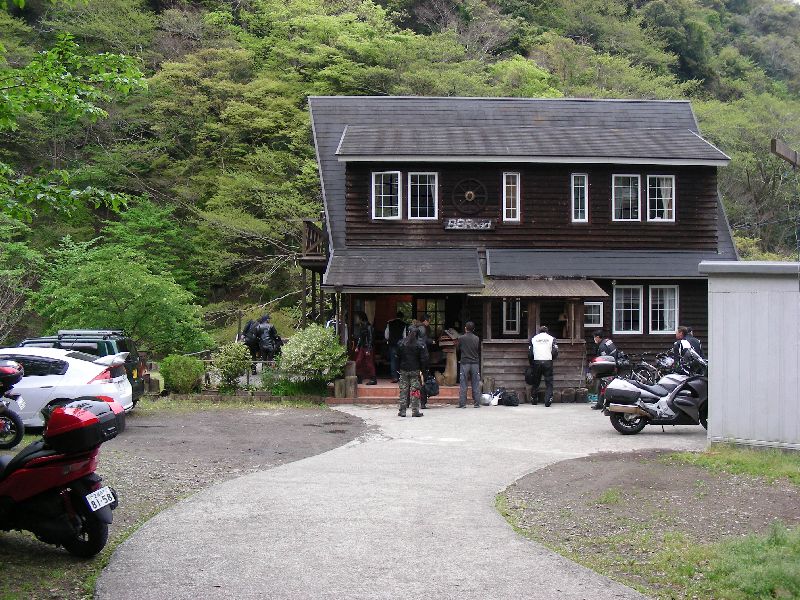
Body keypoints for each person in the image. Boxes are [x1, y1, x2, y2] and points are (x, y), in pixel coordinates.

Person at [396, 328, 429, 417]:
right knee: (415, 390)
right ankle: (415, 411)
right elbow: (424, 359)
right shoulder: (420, 344)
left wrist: (398, 368)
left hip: (404, 369)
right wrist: (423, 370)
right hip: (415, 370)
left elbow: (397, 357)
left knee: (403, 390)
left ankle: (402, 410)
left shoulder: (401, 343)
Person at [529, 325, 558, 407]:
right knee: (549, 382)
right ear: (547, 331)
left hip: (537, 361)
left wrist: (531, 363)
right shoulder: (552, 338)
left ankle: (534, 399)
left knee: (536, 381)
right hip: (547, 361)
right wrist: (551, 358)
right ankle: (547, 401)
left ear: (539, 331)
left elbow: (530, 353)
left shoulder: (533, 339)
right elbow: (555, 351)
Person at [456, 321, 481, 408]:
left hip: (465, 362)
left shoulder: (461, 338)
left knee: (463, 383)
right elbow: (478, 349)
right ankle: (477, 403)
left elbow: (458, 349)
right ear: (473, 329)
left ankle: (462, 403)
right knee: (476, 383)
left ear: (465, 328)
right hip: (475, 363)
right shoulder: (477, 338)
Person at [384, 311, 408, 383]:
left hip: (392, 344)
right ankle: (402, 377)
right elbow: (404, 336)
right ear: (402, 317)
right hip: (400, 344)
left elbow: (386, 335)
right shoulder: (404, 324)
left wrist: (388, 339)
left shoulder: (390, 323)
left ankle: (394, 377)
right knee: (401, 360)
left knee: (393, 361)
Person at [354, 311, 377, 385]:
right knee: (358, 362)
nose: (356, 319)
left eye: (357, 318)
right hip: (363, 347)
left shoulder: (369, 326)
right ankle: (359, 377)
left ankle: (373, 379)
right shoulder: (362, 326)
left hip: (367, 347)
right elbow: (360, 338)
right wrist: (357, 346)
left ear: (361, 318)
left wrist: (369, 349)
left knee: (369, 363)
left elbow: (370, 338)